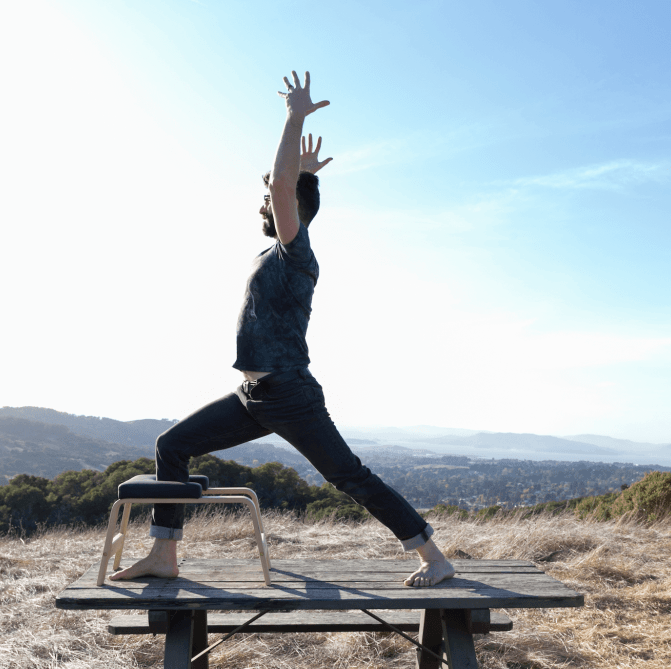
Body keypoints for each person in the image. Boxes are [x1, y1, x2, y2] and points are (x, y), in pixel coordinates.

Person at [111, 71, 455, 587]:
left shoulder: (298, 253)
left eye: (274, 199)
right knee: (172, 445)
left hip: (290, 393)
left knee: (348, 476)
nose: (264, 203)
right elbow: (283, 184)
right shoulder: (273, 252)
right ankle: (164, 555)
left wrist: (294, 120)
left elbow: (280, 186)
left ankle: (433, 556)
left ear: (289, 206)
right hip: (253, 395)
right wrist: (303, 169)